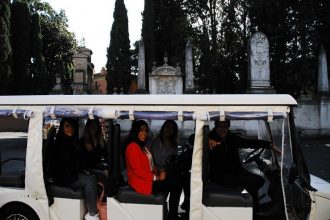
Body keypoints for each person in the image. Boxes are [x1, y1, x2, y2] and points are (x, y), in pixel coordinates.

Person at [208, 120, 271, 209]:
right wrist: (207, 140)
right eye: (219, 127)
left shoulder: (230, 137)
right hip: (220, 176)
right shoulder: (210, 138)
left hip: (234, 172)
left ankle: (252, 204)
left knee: (259, 180)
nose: (222, 130)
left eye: (225, 127)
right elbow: (193, 138)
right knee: (254, 182)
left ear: (228, 127)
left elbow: (246, 142)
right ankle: (253, 208)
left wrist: (267, 144)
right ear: (215, 126)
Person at [52, 118, 99, 220]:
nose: (70, 129)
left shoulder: (72, 141)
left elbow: (81, 160)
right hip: (63, 177)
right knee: (90, 180)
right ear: (62, 128)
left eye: (72, 126)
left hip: (70, 173)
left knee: (94, 175)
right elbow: (66, 164)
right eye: (67, 126)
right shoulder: (60, 143)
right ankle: (92, 214)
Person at [150, 120, 183, 220]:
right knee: (176, 186)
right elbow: (156, 160)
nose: (169, 130)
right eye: (167, 127)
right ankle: (172, 214)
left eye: (172, 128)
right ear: (163, 127)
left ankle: (173, 213)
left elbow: (175, 156)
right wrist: (166, 164)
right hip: (160, 171)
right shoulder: (157, 142)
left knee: (179, 183)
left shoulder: (173, 143)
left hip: (170, 171)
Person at [125, 120, 168, 195]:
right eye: (141, 131)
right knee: (172, 184)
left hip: (147, 180)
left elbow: (150, 165)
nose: (144, 133)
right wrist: (154, 178)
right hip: (140, 182)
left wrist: (157, 175)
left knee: (172, 180)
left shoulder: (143, 146)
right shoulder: (132, 147)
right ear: (135, 132)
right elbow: (137, 171)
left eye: (146, 131)